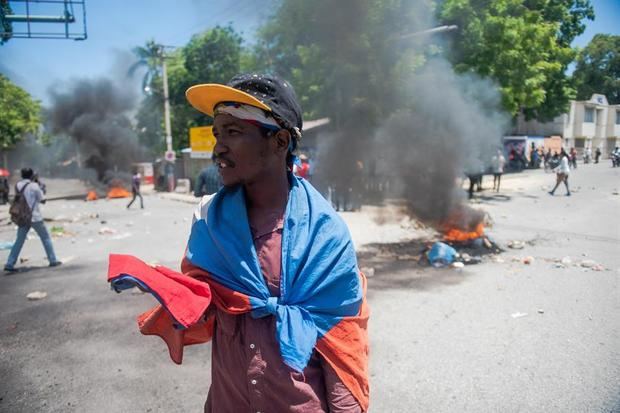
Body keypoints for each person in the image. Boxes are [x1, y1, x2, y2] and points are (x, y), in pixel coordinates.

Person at [117, 74, 370, 412]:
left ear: (279, 142)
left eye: (233, 133)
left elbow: (343, 343)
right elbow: (210, 308)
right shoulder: (210, 221)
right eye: (217, 134)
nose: (218, 148)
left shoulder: (325, 235)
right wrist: (168, 289)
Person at [4, 168, 61, 272]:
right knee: (45, 238)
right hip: (35, 217)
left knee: (19, 241)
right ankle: (52, 260)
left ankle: (10, 263)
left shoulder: (18, 185)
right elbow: (42, 200)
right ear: (31, 175)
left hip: (23, 217)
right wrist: (40, 186)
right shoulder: (34, 186)